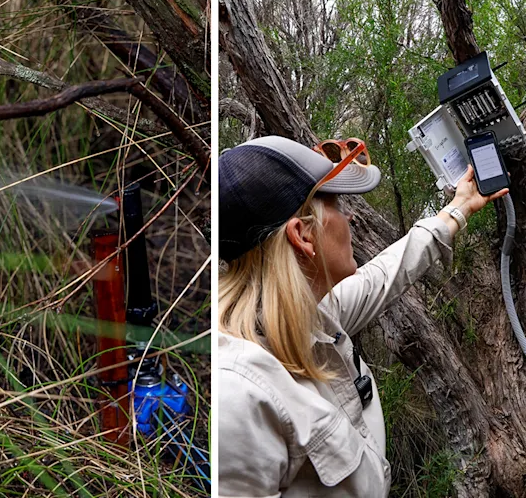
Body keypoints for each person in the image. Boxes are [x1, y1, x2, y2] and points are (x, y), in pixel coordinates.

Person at [216, 135, 506, 497]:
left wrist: (458, 209)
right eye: (336, 204)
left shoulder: (310, 315)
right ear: (303, 235)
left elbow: (384, 275)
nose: (349, 216)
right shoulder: (239, 392)